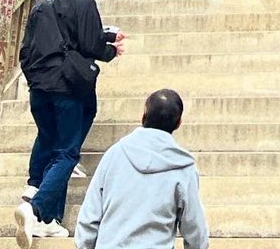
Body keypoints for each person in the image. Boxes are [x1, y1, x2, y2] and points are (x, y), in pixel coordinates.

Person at [15, 0, 124, 247]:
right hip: (67, 87)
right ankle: (34, 206)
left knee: (48, 141)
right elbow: (90, 44)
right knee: (66, 152)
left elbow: (26, 50)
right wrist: (112, 49)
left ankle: (48, 218)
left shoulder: (43, 3)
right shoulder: (82, 2)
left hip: (39, 87)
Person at [74, 88, 209, 249]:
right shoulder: (184, 167)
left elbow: (90, 215)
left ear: (143, 116)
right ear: (178, 123)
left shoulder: (115, 154)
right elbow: (194, 228)